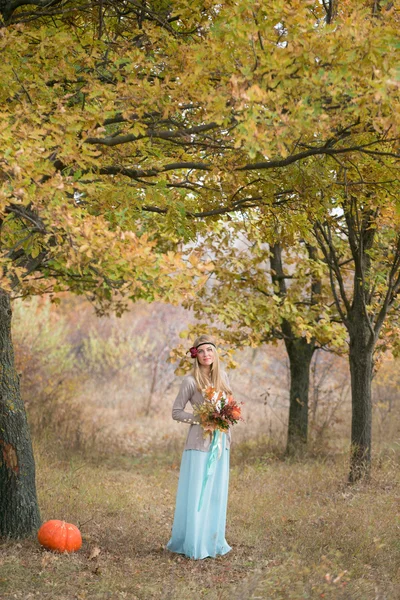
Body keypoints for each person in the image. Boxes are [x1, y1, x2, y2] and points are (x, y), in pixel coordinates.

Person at [166, 335, 232, 560]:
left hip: (220, 443)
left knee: (215, 493)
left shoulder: (223, 377)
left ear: (215, 353)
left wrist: (227, 425)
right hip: (199, 443)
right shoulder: (190, 381)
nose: (206, 355)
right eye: (201, 351)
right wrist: (200, 418)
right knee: (198, 493)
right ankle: (194, 542)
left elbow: (229, 408)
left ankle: (212, 542)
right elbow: (176, 412)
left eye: (209, 350)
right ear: (196, 355)